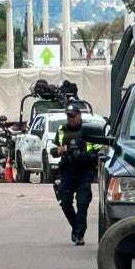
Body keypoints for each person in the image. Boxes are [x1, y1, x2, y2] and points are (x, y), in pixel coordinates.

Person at [50, 104, 100, 246]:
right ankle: (76, 228)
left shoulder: (88, 130)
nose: (70, 119)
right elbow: (53, 150)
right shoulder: (62, 130)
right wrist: (64, 149)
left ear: (79, 115)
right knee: (65, 202)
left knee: (83, 202)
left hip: (84, 171)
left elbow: (98, 151)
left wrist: (84, 154)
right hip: (67, 171)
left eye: (73, 116)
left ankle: (79, 234)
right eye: (68, 116)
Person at [0, 115, 15, 182]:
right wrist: (5, 140)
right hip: (0, 147)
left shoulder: (5, 128)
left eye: (4, 120)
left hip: (5, 147)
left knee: (5, 161)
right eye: (2, 120)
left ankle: (3, 177)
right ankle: (2, 177)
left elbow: (12, 132)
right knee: (2, 162)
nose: (4, 122)